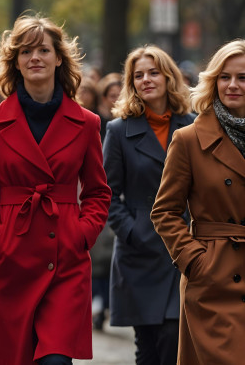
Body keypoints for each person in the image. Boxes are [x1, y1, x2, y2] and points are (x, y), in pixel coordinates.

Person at [0, 14, 111, 365]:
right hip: (10, 260)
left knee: (56, 360)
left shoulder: (87, 123)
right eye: (25, 52)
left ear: (58, 58)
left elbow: (97, 192)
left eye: (43, 50)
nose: (35, 57)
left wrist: (81, 234)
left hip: (64, 261)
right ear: (15, 62)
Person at [152, 39, 245, 364]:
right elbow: (164, 211)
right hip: (214, 279)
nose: (232, 85)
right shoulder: (189, 139)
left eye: (242, 77)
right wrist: (194, 261)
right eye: (224, 77)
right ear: (213, 81)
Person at [103, 45, 194, 362]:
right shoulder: (118, 130)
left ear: (168, 77)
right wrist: (132, 230)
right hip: (139, 253)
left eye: (153, 73)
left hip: (182, 245)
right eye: (138, 75)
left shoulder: (193, 125)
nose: (146, 80)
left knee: (173, 336)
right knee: (148, 344)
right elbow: (107, 193)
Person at [97, 72, 123, 139]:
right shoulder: (99, 124)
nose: (117, 100)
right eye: (113, 96)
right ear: (104, 99)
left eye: (120, 95)